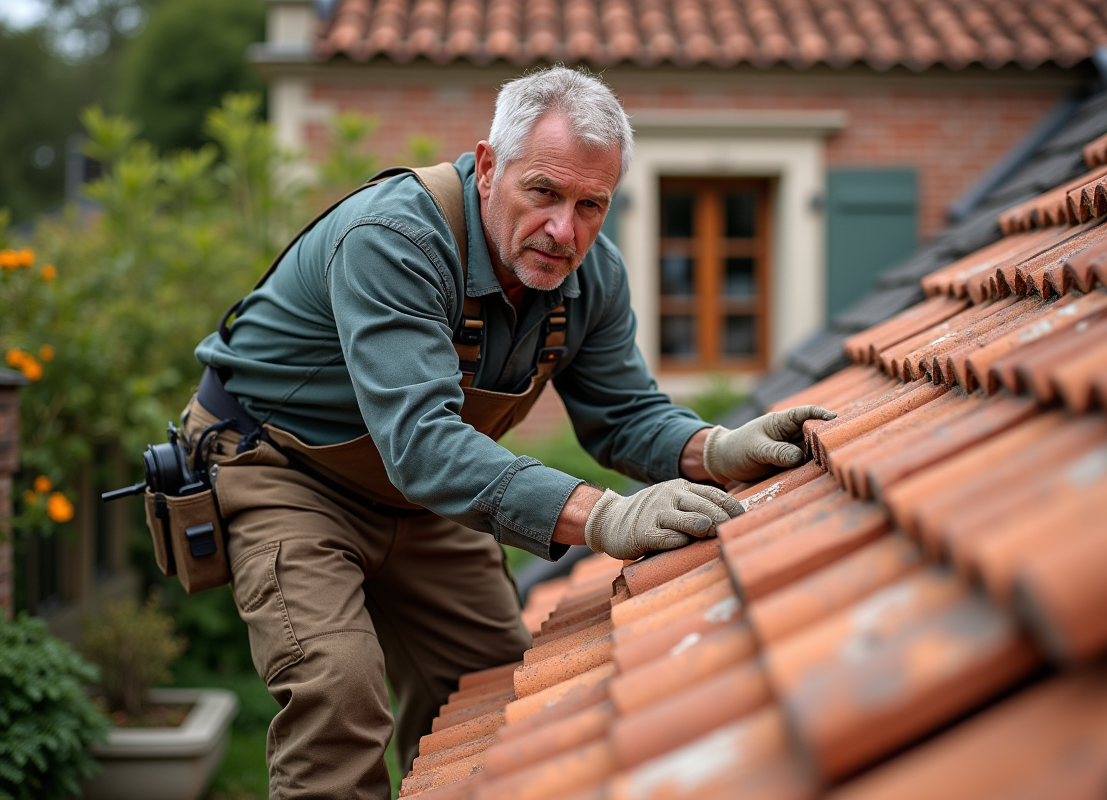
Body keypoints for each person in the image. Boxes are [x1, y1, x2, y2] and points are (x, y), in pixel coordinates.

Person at [187, 66, 834, 799]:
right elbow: (423, 443)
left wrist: (718, 449)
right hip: (285, 473)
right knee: (339, 692)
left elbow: (624, 414)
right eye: (544, 192)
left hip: (420, 498)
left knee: (494, 692)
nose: (565, 231)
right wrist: (607, 516)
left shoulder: (592, 279)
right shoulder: (394, 240)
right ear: (489, 167)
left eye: (591, 205)